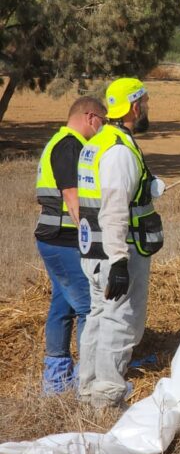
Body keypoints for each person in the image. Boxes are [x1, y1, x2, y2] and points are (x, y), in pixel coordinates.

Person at [77, 78, 165, 410]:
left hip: (92, 250)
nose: (146, 108)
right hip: (117, 252)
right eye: (145, 102)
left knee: (99, 318)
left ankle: (87, 392)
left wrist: (151, 187)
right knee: (119, 323)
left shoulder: (99, 143)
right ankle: (107, 399)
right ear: (134, 106)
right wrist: (119, 260)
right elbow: (114, 208)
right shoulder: (118, 150)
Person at [35, 96, 106, 393]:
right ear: (90, 117)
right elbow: (72, 197)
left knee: (62, 304)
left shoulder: (59, 141)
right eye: (102, 121)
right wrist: (92, 239)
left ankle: (56, 376)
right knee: (88, 307)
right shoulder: (70, 146)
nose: (103, 128)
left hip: (53, 239)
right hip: (64, 242)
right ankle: (86, 381)